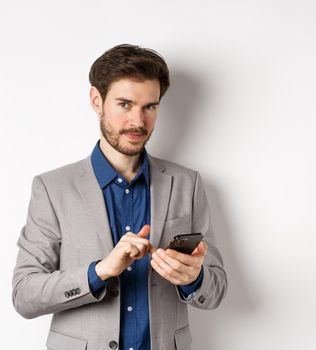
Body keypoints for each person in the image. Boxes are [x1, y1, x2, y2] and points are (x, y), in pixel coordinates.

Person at [12, 43, 227, 350]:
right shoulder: (52, 188)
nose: (138, 121)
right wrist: (100, 271)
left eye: (149, 107)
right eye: (125, 104)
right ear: (96, 100)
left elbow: (216, 291)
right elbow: (24, 295)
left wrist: (193, 278)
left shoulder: (187, 183)